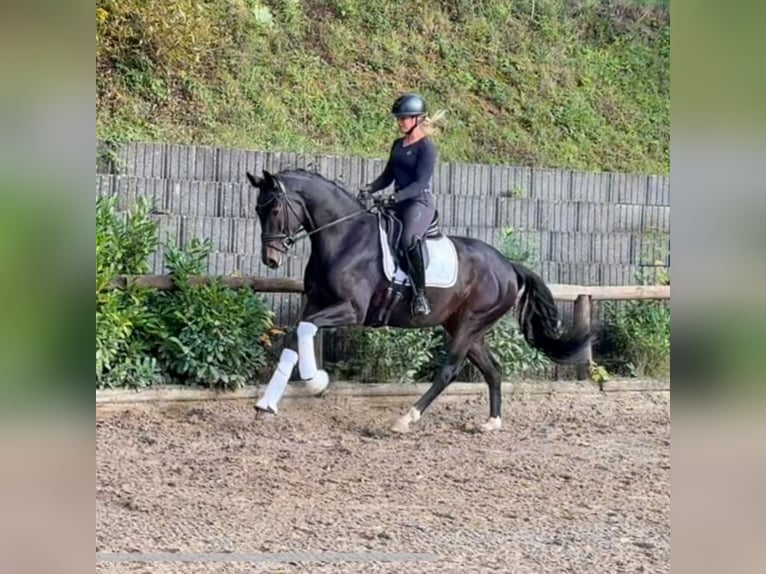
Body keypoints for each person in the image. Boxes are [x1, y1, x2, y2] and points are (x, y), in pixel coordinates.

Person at [359, 93, 445, 317]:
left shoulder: (426, 148)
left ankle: (420, 296)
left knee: (408, 239)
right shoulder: (398, 144)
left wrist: (395, 198)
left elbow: (419, 183)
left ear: (417, 119)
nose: (400, 122)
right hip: (399, 202)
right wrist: (369, 188)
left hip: (418, 203)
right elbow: (388, 176)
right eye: (399, 118)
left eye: (404, 118)